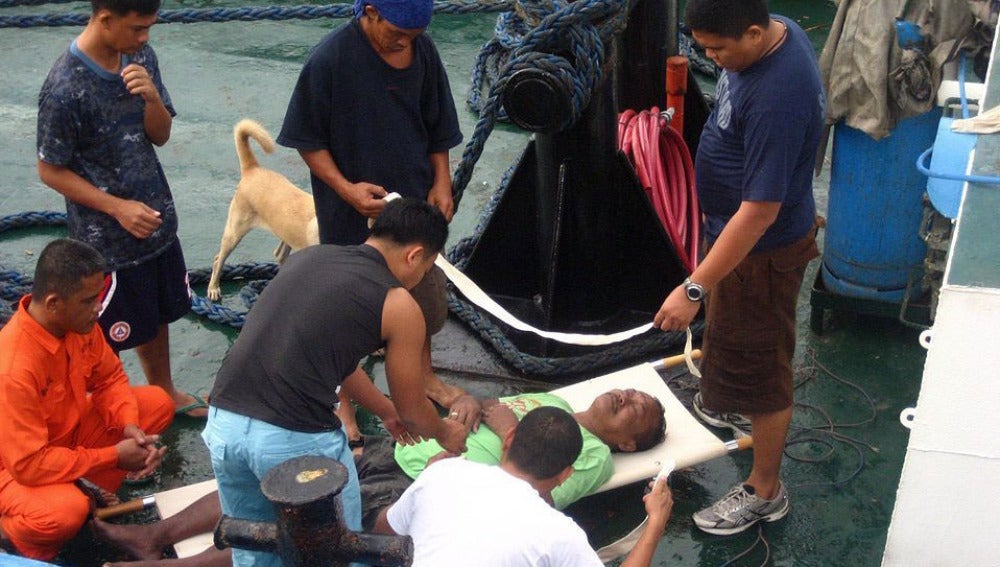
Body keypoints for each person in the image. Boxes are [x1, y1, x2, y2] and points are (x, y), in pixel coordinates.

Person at [93, 387, 666, 565]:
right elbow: (477, 403)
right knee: (295, 477)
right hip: (416, 458)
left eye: (637, 409)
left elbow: (532, 488)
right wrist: (467, 406)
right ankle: (156, 537)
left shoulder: (592, 457)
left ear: (628, 442)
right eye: (634, 392)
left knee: (315, 523)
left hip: (428, 480)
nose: (629, 395)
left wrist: (474, 441)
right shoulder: (549, 403)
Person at [201, 198, 468, 567]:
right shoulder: (399, 305)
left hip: (224, 424)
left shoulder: (308, 257)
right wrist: (444, 432)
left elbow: (331, 360)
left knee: (254, 549)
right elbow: (415, 411)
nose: (421, 278)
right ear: (415, 255)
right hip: (293, 438)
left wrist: (384, 411)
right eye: (426, 269)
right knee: (339, 550)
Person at [652, 0, 824, 536]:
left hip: (762, 253)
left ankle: (765, 490)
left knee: (765, 371)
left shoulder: (779, 97)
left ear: (753, 32)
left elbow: (760, 211)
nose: (711, 59)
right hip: (736, 243)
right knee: (734, 338)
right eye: (703, 48)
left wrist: (695, 285)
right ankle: (729, 399)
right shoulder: (775, 34)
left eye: (719, 50)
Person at [276, 0, 467, 443]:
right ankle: (342, 402)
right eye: (397, 33)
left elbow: (439, 127)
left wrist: (443, 181)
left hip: (415, 209)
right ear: (370, 12)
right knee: (346, 313)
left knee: (420, 294)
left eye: (414, 36)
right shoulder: (331, 59)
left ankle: (426, 379)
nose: (405, 43)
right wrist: (345, 189)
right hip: (352, 216)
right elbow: (306, 139)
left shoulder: (423, 52)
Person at [36, 0, 204, 419]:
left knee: (158, 314)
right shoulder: (63, 87)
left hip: (156, 223)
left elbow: (161, 136)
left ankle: (163, 390)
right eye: (137, 28)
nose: (145, 37)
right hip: (105, 244)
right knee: (97, 336)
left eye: (149, 27)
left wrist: (152, 99)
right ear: (105, 18)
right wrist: (116, 209)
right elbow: (49, 170)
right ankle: (97, 418)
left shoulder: (141, 57)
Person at [0, 238, 174, 560]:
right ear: (53, 303)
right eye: (89, 300)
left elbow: (109, 378)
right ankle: (18, 541)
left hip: (63, 441)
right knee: (63, 513)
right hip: (14, 467)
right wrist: (113, 456)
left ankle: (86, 494)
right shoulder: (13, 369)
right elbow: (27, 465)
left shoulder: (78, 324)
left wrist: (130, 427)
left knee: (157, 404)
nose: (99, 307)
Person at [375, 406, 674, 567]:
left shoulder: (442, 473)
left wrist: (429, 484)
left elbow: (382, 528)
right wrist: (656, 522)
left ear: (508, 439)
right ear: (566, 475)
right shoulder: (561, 534)